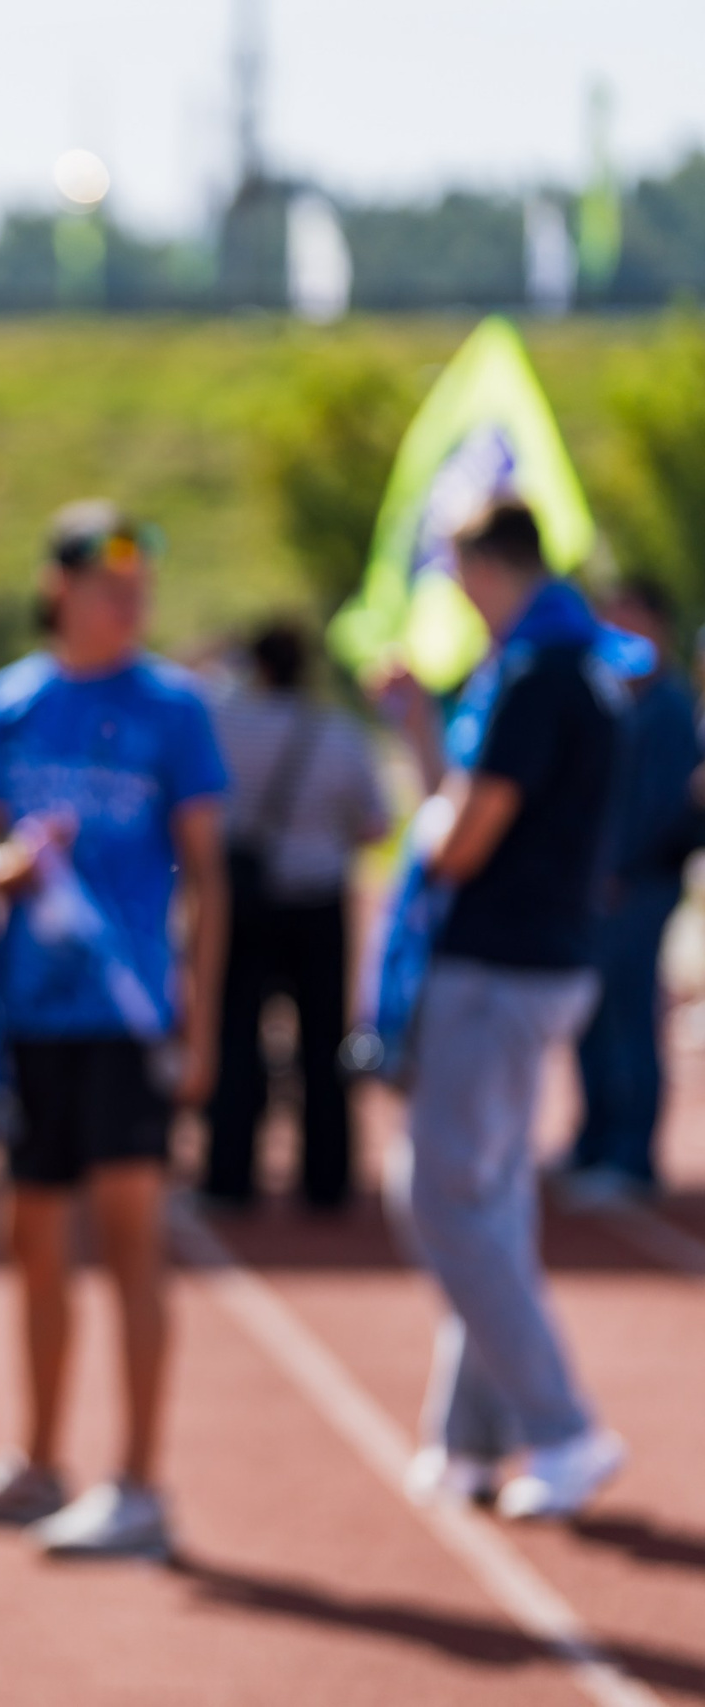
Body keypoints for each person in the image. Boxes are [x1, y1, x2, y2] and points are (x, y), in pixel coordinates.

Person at [0, 501, 228, 1562]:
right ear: (59, 588)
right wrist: (5, 872)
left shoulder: (174, 708)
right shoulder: (8, 705)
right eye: (110, 584)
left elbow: (208, 877)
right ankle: (39, 1461)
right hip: (30, 1020)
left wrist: (202, 1025)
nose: (130, 600)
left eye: (141, 585)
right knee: (30, 1238)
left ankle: (139, 1484)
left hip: (125, 1019)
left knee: (133, 1241)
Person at [381, 501, 625, 1519]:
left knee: (440, 1199)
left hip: (498, 965)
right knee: (489, 1200)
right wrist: (416, 729)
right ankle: (470, 1437)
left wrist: (425, 821)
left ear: (483, 565)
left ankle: (562, 1427)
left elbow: (460, 839)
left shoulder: (531, 676)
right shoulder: (575, 663)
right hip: (540, 958)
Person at [204, 619, 388, 1211]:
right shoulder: (338, 732)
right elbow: (376, 822)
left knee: (236, 1037)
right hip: (318, 901)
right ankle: (327, 1179)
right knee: (324, 1041)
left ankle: (228, 1174)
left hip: (244, 898)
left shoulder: (223, 725)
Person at [556, 578, 699, 1206]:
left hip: (638, 886)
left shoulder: (668, 709)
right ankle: (594, 1140)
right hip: (597, 885)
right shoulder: (610, 696)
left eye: (629, 621)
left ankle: (630, 1156)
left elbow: (663, 807)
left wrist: (618, 869)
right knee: (589, 1015)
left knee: (629, 1015)